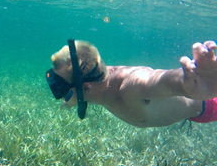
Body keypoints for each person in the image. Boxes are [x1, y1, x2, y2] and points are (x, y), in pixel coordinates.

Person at [46, 40, 217, 127]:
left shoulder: (130, 86)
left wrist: (193, 83)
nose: (62, 96)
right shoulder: (97, 79)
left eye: (60, 89)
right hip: (196, 110)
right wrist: (69, 98)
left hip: (210, 100)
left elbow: (158, 80)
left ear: (85, 88)